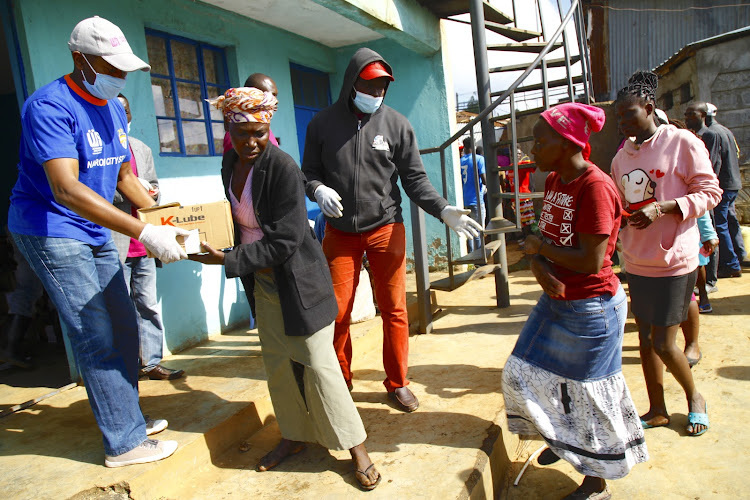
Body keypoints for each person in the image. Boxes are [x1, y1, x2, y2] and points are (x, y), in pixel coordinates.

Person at [6, 16, 189, 467]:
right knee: (96, 332)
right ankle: (123, 443)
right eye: (110, 67)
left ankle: (128, 416)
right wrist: (144, 232)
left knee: (124, 325)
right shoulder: (49, 107)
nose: (119, 77)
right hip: (49, 227)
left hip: (93, 227)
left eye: (123, 68)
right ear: (79, 58)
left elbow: (125, 175)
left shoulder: (110, 108)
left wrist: (164, 218)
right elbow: (66, 188)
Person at [194, 87, 381, 490]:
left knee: (319, 364)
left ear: (268, 129)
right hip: (261, 280)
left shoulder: (281, 166)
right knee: (278, 363)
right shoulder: (230, 163)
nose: (251, 142)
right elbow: (243, 223)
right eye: (242, 133)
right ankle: (294, 436)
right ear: (230, 129)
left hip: (297, 280)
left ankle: (357, 447)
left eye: (259, 133)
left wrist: (227, 260)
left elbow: (286, 240)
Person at [301, 48, 481, 413]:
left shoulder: (397, 125)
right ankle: (341, 380)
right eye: (370, 87)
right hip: (340, 232)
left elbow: (415, 180)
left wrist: (443, 208)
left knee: (394, 309)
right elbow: (308, 172)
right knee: (336, 311)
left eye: (382, 88)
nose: (376, 94)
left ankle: (398, 382)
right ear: (352, 83)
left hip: (385, 227)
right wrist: (318, 190)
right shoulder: (322, 124)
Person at [503, 102, 648, 500]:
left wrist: (539, 250)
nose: (531, 149)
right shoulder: (554, 181)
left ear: (568, 143)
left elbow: (591, 260)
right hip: (557, 299)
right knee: (523, 371)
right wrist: (537, 261)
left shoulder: (596, 188)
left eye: (539, 140)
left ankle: (597, 483)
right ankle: (564, 441)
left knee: (588, 397)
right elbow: (540, 234)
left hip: (591, 307)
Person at [612, 71, 721, 436]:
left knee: (663, 342)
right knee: (644, 340)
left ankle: (695, 398)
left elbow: (710, 192)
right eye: (619, 118)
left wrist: (665, 207)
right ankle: (657, 409)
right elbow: (620, 201)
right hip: (638, 262)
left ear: (649, 108)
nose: (624, 123)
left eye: (630, 115)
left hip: (675, 260)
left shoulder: (682, 142)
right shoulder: (621, 156)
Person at [112, 94, 184, 380]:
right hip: (114, 241)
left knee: (148, 305)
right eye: (115, 110)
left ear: (130, 116)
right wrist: (129, 189)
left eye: (125, 110)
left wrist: (150, 190)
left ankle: (151, 362)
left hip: (144, 244)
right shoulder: (100, 150)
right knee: (119, 308)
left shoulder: (140, 149)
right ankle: (125, 365)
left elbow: (155, 188)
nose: (121, 116)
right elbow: (95, 194)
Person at [685, 102, 745, 278]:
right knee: (730, 221)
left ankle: (730, 264)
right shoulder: (725, 130)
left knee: (719, 224)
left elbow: (711, 164)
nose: (687, 119)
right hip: (731, 183)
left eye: (691, 115)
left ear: (704, 115)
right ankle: (738, 256)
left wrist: (708, 189)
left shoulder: (710, 134)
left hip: (722, 185)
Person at [222, 73, 279, 153]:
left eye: (275, 96)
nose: (276, 101)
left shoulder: (262, 127)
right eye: (270, 96)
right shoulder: (237, 134)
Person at [460, 136, 486, 252]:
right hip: (477, 200)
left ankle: (471, 255)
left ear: (464, 147)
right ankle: (480, 257)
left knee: (468, 229)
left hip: (465, 200)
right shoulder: (479, 159)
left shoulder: (461, 161)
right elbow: (484, 180)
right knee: (478, 229)